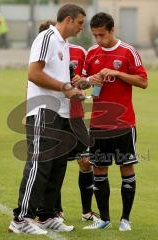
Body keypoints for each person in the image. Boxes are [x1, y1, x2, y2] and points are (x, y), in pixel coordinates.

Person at [8, 4, 86, 235]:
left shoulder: (63, 44)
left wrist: (73, 88)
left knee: (57, 165)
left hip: (61, 112)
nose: (82, 27)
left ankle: (47, 215)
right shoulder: (47, 37)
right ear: (69, 19)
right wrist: (64, 87)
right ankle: (21, 219)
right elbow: (34, 73)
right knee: (40, 164)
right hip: (43, 110)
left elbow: (60, 80)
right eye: (80, 22)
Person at [73, 12, 148, 231]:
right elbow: (84, 84)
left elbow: (143, 81)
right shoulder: (92, 52)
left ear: (112, 30)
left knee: (126, 168)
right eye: (95, 35)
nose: (98, 40)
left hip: (123, 122)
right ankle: (104, 219)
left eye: (102, 35)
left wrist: (115, 72)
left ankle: (126, 219)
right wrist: (88, 80)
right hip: (98, 124)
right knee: (99, 171)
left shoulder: (127, 51)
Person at [38, 20, 99, 222]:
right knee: (55, 164)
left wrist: (81, 80)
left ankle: (87, 211)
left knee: (85, 161)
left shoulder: (79, 51)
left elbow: (88, 82)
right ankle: (55, 211)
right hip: (52, 114)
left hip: (75, 115)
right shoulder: (40, 52)